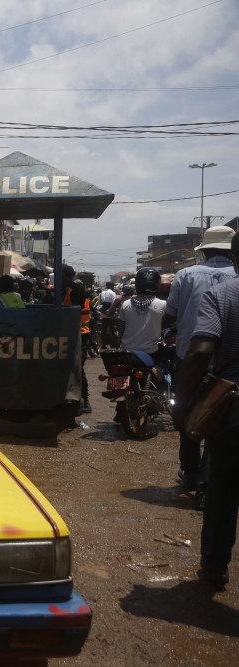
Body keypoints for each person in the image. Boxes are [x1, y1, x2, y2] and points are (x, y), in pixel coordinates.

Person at [171, 231, 239, 591]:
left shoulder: (218, 292)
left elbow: (198, 352)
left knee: (223, 488)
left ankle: (214, 567)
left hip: (226, 398)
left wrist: (181, 405)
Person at [165, 225, 236, 506]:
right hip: (229, 361)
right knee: (223, 419)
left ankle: (191, 472)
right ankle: (210, 478)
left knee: (190, 414)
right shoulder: (235, 276)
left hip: (190, 354)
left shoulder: (185, 275)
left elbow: (170, 312)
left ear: (204, 250)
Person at [118, 268, 168, 367]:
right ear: (157, 284)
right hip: (151, 352)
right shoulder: (163, 304)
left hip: (127, 352)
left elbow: (121, 330)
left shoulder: (126, 304)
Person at [61, 265, 92, 413]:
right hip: (70, 333)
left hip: (81, 334)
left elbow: (84, 293)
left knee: (78, 367)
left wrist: (67, 281)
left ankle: (85, 401)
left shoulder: (77, 288)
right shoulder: (66, 290)